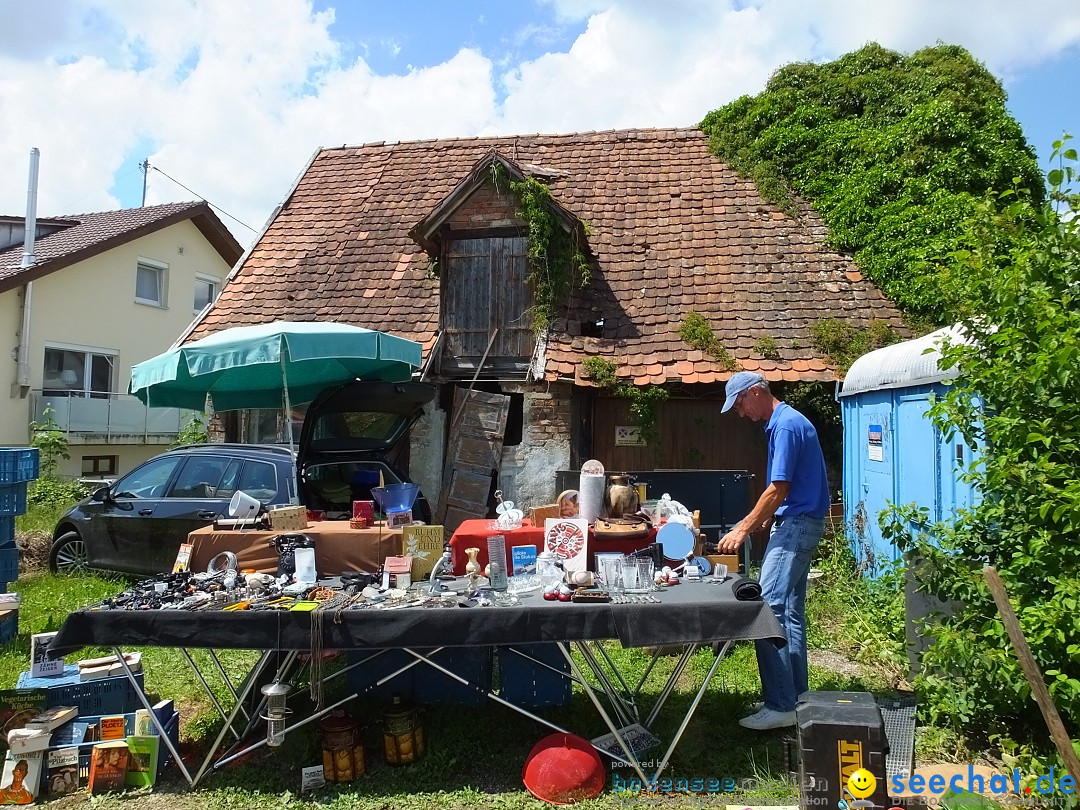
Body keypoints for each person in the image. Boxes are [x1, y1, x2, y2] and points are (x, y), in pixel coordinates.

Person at [718, 371, 829, 730]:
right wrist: (771, 517)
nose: (740, 413)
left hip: (797, 526)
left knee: (766, 608)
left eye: (739, 405)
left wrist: (743, 527)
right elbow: (785, 492)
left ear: (755, 392)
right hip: (800, 521)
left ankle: (780, 704)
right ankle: (795, 697)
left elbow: (778, 488)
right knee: (791, 612)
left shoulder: (784, 426)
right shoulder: (787, 421)